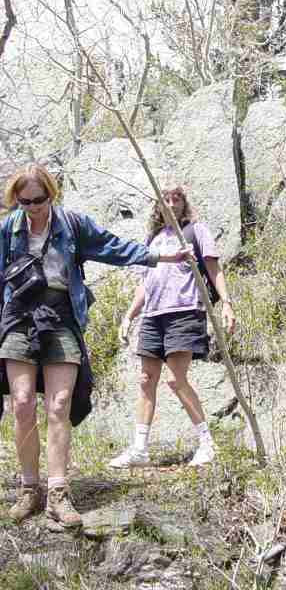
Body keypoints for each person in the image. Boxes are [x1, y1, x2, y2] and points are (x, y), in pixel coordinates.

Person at [0, 164, 192, 529]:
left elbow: (112, 247)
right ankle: (29, 489)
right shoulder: (8, 229)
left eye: (39, 199)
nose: (33, 207)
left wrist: (163, 257)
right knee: (22, 403)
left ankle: (58, 493)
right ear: (16, 199)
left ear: (51, 194)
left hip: (61, 316)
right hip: (19, 317)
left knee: (59, 403)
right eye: (25, 201)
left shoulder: (72, 224)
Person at [108, 186, 235, 470]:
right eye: (166, 198)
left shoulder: (195, 231)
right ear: (158, 205)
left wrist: (226, 303)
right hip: (153, 315)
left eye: (177, 198)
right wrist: (129, 315)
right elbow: (145, 283)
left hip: (184, 312)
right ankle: (139, 449)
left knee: (176, 380)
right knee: (145, 380)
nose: (172, 202)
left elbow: (214, 269)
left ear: (184, 202)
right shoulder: (152, 239)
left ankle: (206, 444)